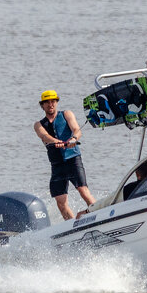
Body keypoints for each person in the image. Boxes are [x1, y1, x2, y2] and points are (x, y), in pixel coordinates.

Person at [34, 89, 94, 220]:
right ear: (42, 105)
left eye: (53, 101)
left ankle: (98, 214)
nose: (51, 105)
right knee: (60, 202)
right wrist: (57, 142)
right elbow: (44, 136)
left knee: (83, 190)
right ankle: (73, 226)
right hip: (57, 165)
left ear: (56, 102)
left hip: (73, 160)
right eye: (47, 102)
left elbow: (77, 130)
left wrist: (73, 139)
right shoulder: (38, 124)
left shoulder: (66, 114)